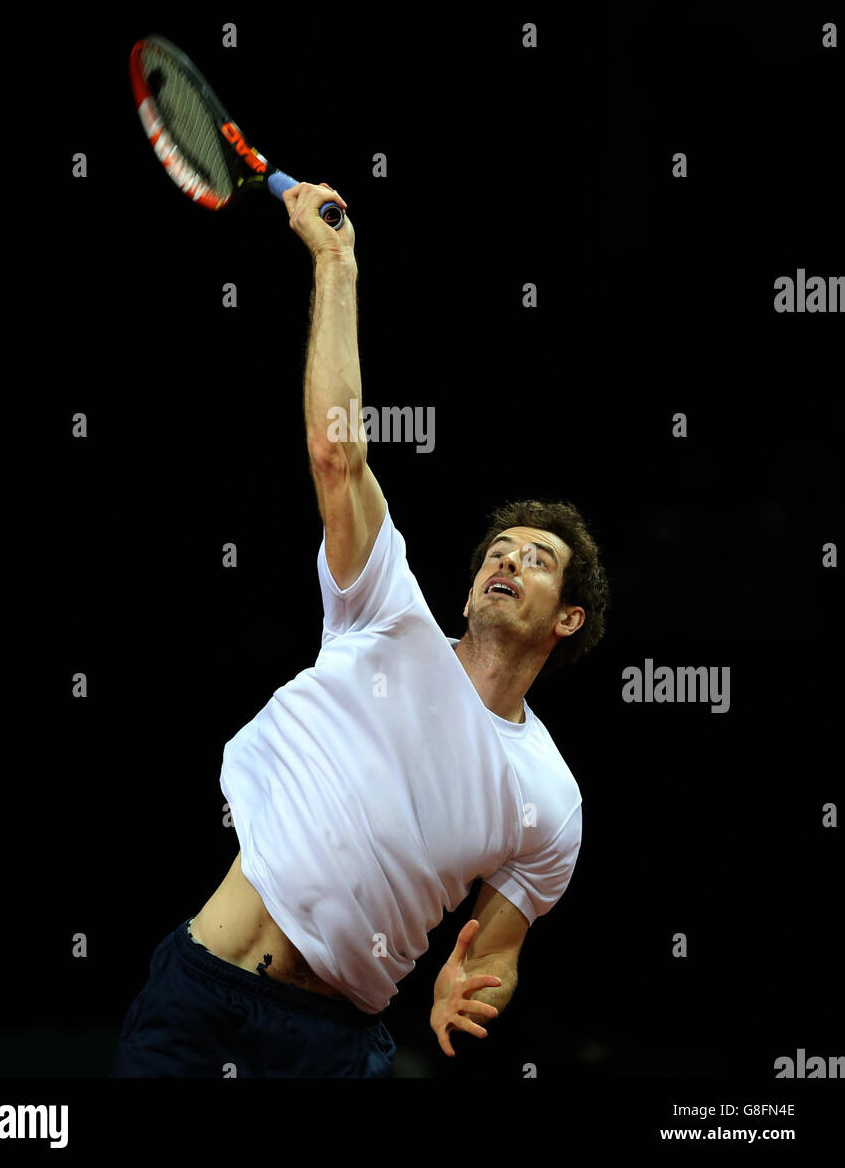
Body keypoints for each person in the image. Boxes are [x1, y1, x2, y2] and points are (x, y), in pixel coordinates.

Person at [109, 183, 609, 1078]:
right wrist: (336, 263)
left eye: (537, 559)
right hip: (202, 998)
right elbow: (339, 454)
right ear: (465, 593)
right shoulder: (384, 614)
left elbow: (496, 952)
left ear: (568, 620)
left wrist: (474, 984)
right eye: (497, 550)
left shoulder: (551, 802)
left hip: (334, 1050)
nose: (506, 560)